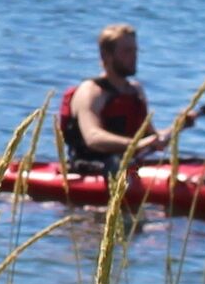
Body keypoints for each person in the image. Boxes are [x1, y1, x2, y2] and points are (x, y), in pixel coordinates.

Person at [59, 24, 158, 173]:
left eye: (135, 50)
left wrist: (178, 125)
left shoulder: (136, 91)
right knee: (114, 164)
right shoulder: (91, 92)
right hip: (92, 166)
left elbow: (151, 136)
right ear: (106, 55)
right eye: (127, 51)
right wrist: (136, 144)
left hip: (128, 165)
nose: (134, 56)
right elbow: (93, 138)